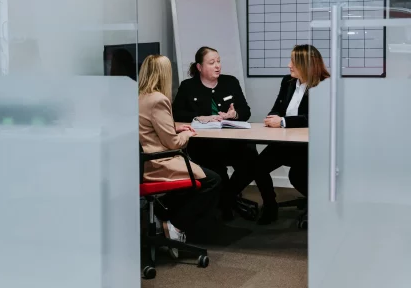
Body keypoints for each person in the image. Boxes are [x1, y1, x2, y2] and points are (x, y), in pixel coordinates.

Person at [237, 44, 329, 225]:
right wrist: (273, 117)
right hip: (286, 142)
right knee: (258, 166)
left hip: (311, 146)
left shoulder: (324, 84)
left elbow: (316, 117)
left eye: (293, 62)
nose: (289, 65)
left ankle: (321, 205)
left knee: (297, 175)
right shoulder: (287, 82)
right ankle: (270, 206)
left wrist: (284, 122)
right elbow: (278, 108)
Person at [172, 46, 266, 220]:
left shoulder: (230, 82)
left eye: (219, 61)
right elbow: (176, 114)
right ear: (199, 67)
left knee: (252, 160)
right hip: (204, 146)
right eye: (211, 62)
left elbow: (245, 111)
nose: (217, 66)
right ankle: (226, 202)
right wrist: (200, 117)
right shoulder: (188, 86)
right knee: (217, 172)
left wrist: (234, 115)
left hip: (232, 143)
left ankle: (229, 199)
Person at [139, 54, 221, 252]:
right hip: (159, 163)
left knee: (198, 178)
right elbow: (173, 143)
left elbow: (152, 130)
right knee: (213, 180)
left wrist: (177, 129)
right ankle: (175, 225)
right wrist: (188, 134)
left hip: (143, 163)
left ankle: (162, 215)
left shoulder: (140, 98)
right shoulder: (158, 100)